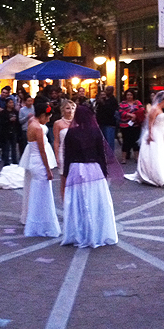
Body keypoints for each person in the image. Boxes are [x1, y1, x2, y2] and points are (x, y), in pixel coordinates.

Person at [60, 106, 118, 248]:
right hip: (94, 169)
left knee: (78, 202)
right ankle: (96, 232)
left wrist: (66, 174)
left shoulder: (71, 133)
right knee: (95, 201)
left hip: (76, 169)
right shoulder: (96, 132)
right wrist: (104, 172)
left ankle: (79, 232)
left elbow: (67, 156)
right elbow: (101, 154)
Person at [19, 98, 61, 238]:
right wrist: (48, 169)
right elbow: (42, 150)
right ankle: (43, 222)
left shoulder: (32, 123)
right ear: (43, 115)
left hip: (33, 161)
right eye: (48, 117)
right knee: (44, 193)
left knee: (38, 192)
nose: (48, 120)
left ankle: (37, 220)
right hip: (39, 163)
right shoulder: (37, 128)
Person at [124, 91, 164, 187]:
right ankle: (155, 175)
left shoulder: (160, 109)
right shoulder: (154, 109)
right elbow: (150, 123)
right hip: (155, 132)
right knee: (154, 154)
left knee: (162, 152)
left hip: (161, 133)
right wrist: (150, 135)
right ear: (163, 101)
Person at [118, 89, 144, 164]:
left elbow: (142, 110)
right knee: (126, 141)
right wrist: (129, 115)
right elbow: (120, 112)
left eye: (131, 95)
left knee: (136, 141)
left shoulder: (137, 102)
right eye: (128, 95)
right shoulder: (122, 103)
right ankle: (123, 158)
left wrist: (135, 115)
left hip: (135, 124)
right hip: (125, 125)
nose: (129, 96)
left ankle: (137, 157)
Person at [53, 99, 76, 170]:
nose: (70, 111)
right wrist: (57, 157)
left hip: (76, 153)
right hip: (63, 152)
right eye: (68, 108)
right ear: (63, 110)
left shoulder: (78, 123)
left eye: (72, 108)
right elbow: (56, 141)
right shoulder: (58, 123)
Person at [95, 85, 119, 151]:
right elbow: (98, 111)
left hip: (109, 123)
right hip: (101, 122)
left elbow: (110, 111)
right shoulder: (102, 100)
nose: (107, 91)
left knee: (109, 142)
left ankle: (110, 157)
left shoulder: (113, 100)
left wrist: (103, 103)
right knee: (102, 141)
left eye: (109, 90)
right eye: (106, 90)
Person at [0, 97, 20, 165]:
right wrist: (9, 120)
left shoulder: (15, 112)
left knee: (14, 147)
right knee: (6, 147)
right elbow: (1, 122)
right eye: (10, 103)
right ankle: (6, 161)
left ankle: (14, 160)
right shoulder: (3, 112)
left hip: (14, 130)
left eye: (12, 102)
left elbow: (18, 122)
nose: (12, 104)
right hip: (6, 131)